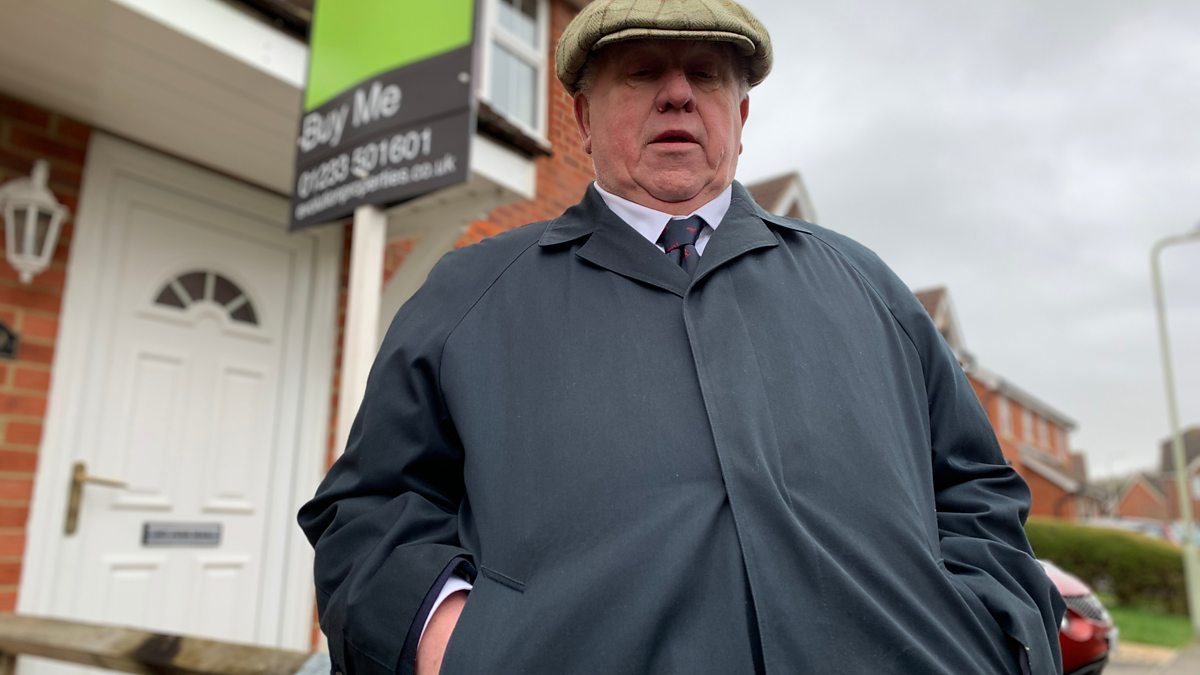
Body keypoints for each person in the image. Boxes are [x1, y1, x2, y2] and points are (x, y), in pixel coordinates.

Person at [298, 1, 1066, 673]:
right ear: (582, 118)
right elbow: (369, 512)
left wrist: (993, 634)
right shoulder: (471, 294)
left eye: (705, 73)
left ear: (741, 118)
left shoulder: (868, 287)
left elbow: (977, 489)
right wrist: (452, 645)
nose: (677, 93)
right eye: (641, 72)